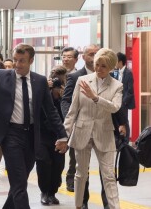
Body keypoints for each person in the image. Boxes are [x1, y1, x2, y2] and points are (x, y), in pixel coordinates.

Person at [0, 43, 68, 209]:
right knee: (19, 183)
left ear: (31, 60)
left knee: (21, 180)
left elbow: (51, 111)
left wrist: (62, 135)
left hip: (32, 136)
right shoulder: (1, 75)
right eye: (16, 60)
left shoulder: (39, 81)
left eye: (22, 61)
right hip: (10, 135)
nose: (17, 64)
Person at [64, 48, 123, 209]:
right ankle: (78, 206)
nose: (99, 69)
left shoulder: (117, 85)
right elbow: (72, 110)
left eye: (103, 66)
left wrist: (95, 97)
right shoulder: (82, 80)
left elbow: (115, 107)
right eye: (97, 64)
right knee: (80, 174)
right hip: (82, 131)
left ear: (110, 67)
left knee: (109, 175)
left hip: (104, 133)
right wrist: (64, 135)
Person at [61, 44, 99, 195]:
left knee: (106, 171)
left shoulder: (107, 75)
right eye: (91, 54)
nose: (94, 57)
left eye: (97, 53)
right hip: (80, 125)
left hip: (101, 128)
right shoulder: (76, 77)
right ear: (83, 57)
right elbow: (66, 101)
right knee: (78, 162)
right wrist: (70, 120)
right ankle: (80, 194)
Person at [37, 65, 67, 205]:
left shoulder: (65, 97)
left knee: (58, 166)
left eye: (60, 82)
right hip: (43, 135)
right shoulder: (43, 91)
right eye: (55, 80)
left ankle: (52, 192)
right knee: (44, 164)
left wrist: (63, 99)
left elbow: (67, 116)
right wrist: (46, 90)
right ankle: (44, 192)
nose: (57, 85)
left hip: (60, 135)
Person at [113, 52, 135, 142]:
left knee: (125, 121)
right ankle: (119, 140)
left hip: (124, 103)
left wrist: (123, 102)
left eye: (115, 61)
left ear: (120, 62)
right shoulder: (115, 72)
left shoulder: (128, 73)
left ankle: (126, 142)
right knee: (117, 121)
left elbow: (130, 91)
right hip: (116, 101)